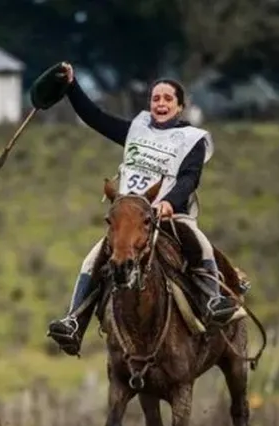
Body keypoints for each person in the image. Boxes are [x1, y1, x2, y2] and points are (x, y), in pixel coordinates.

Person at [43, 62, 248, 357]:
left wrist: (170, 202)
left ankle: (213, 300)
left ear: (179, 106)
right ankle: (74, 322)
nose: (160, 103)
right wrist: (72, 87)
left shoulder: (192, 140)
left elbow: (191, 177)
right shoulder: (136, 131)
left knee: (200, 244)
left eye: (167, 99)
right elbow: (95, 118)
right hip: (131, 216)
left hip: (170, 214)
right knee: (93, 259)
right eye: (155, 98)